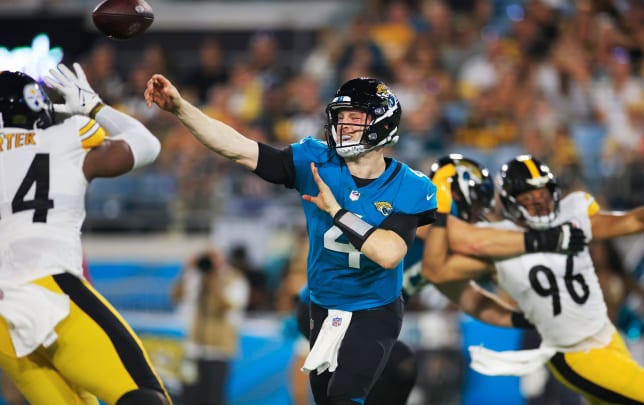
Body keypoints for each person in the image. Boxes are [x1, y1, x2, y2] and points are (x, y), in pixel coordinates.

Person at [146, 72, 439, 404]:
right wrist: (181, 108)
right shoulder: (316, 161)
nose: (344, 126)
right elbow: (239, 149)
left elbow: (388, 254)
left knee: (345, 396)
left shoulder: (410, 185)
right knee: (327, 398)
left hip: (374, 306)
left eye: (355, 117)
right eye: (340, 117)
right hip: (323, 304)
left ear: (382, 124)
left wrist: (337, 212)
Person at [424, 154, 644, 404]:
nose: (540, 205)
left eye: (543, 195)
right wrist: (440, 210)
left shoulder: (572, 213)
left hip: (607, 336)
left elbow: (636, 220)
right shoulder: (499, 241)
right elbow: (438, 270)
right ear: (512, 202)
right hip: (574, 353)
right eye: (530, 199)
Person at [292, 154, 588, 404]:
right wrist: (540, 239)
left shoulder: (439, 252)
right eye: (474, 204)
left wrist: (521, 320)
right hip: (326, 308)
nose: (477, 215)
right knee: (395, 365)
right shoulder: (422, 221)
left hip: (355, 315)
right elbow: (465, 240)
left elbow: (470, 299)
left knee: (394, 370)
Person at [0, 65, 169, 404]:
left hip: (4, 319)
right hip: (53, 292)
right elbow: (147, 145)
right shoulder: (66, 137)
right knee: (145, 397)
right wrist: (95, 107)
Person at [170, 248, 249, 405]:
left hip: (218, 351)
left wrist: (215, 279)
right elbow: (176, 296)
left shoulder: (234, 279)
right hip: (193, 348)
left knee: (213, 398)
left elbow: (228, 305)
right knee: (188, 397)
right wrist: (186, 270)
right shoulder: (195, 276)